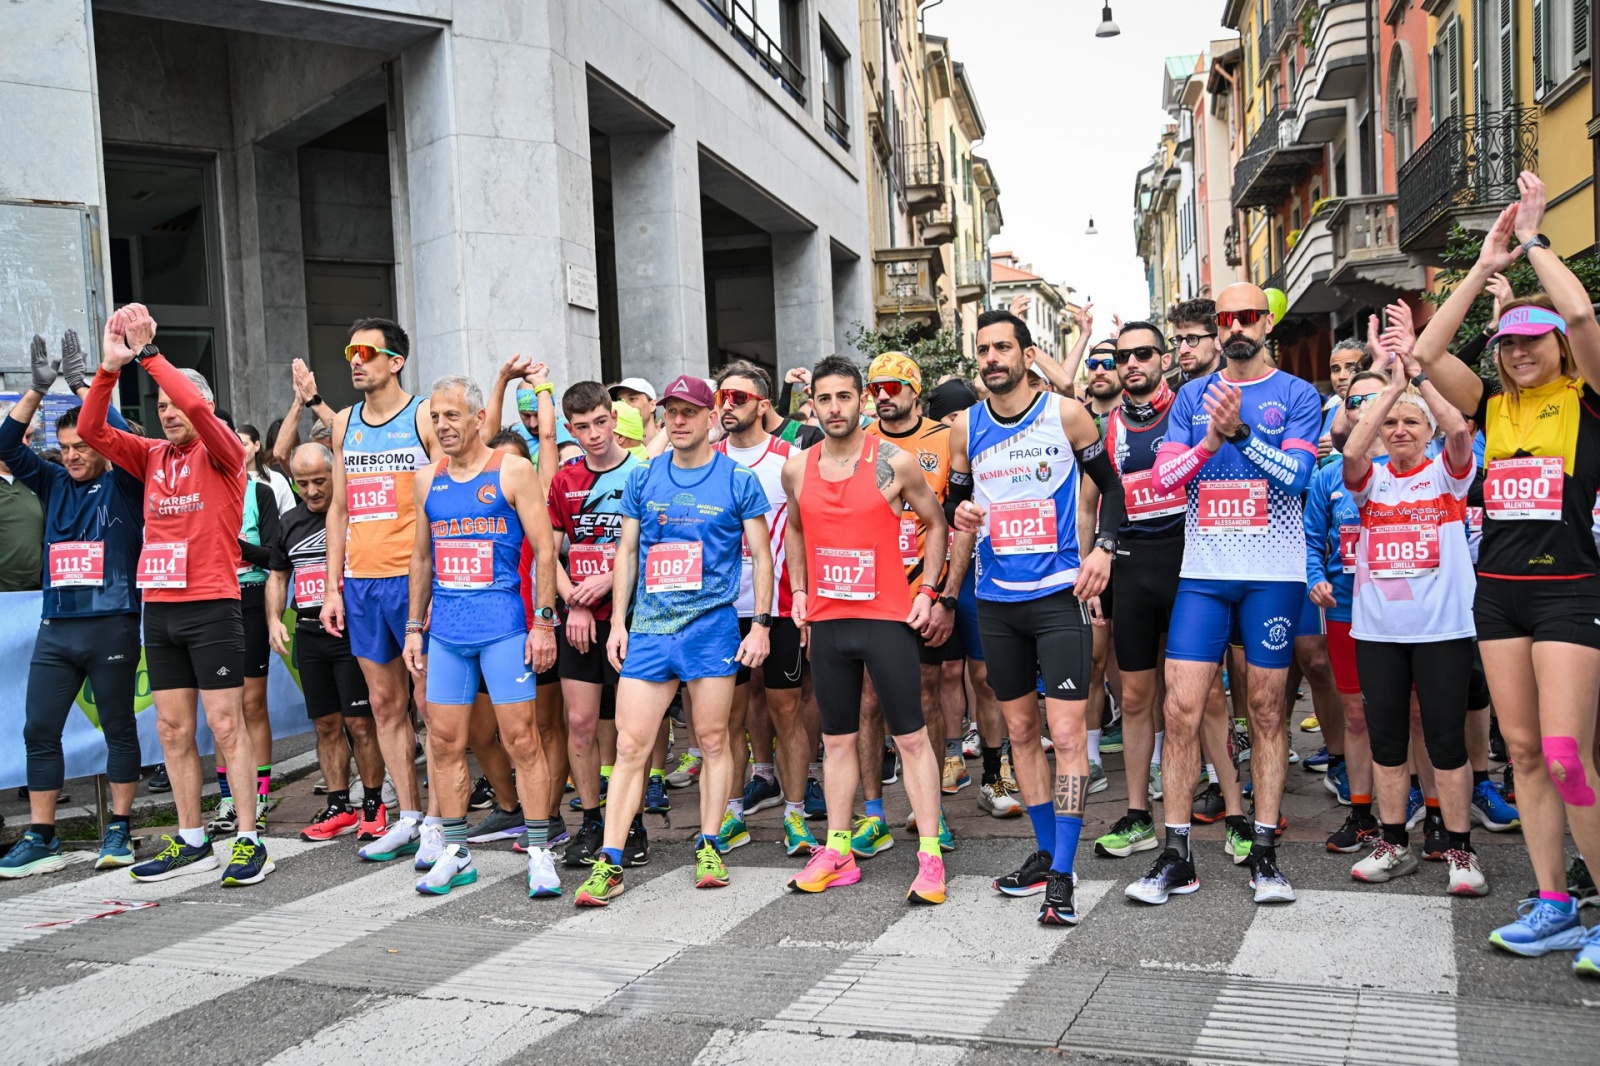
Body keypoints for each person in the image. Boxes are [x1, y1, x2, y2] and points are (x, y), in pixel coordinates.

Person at [1411, 174, 1600, 974]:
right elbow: (1422, 356)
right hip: (1500, 599)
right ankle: (1553, 901)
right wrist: (1483, 263)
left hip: (1572, 595)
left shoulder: (1589, 396)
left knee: (1565, 753)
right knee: (1521, 754)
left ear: (1556, 343)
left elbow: (1585, 312)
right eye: (1508, 343)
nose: (1519, 351)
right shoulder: (1491, 406)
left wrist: (1532, 242)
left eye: (1534, 339)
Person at [1128, 281, 1323, 907]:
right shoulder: (1190, 397)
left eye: (1247, 316)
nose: (1236, 326)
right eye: (1226, 318)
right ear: (1217, 328)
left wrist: (1240, 435)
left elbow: (1297, 477)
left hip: (1273, 574)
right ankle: (1175, 852)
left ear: (1267, 323)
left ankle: (1264, 853)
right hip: (1205, 573)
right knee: (1180, 710)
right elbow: (1165, 476)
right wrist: (1211, 439)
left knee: (1266, 711)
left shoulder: (1295, 394)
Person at [947, 309, 1126, 926]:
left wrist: (1103, 549)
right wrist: (962, 516)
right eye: (983, 349)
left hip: (1058, 597)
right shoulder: (966, 427)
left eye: (1003, 347)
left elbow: (1115, 490)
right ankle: (1047, 852)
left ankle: (1064, 872)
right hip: (997, 600)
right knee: (1020, 733)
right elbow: (956, 501)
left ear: (1027, 354)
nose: (992, 358)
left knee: (1069, 736)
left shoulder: (1066, 414)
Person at [80, 303, 269, 885]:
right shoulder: (151, 456)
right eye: (158, 406)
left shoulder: (225, 453)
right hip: (160, 608)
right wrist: (111, 369)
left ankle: (246, 837)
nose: (167, 413)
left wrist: (151, 356)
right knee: (171, 730)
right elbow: (90, 432)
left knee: (227, 724)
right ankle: (191, 838)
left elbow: (190, 401)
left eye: (175, 404)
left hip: (212, 604)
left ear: (203, 407)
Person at [575, 375, 773, 906]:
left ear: (712, 418)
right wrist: (617, 622)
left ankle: (709, 843)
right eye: (671, 412)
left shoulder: (737, 480)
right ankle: (610, 861)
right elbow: (628, 554)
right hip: (650, 631)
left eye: (690, 411)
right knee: (630, 745)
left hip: (711, 631)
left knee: (713, 742)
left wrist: (761, 624)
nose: (679, 420)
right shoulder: (644, 478)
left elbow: (762, 554)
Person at [782, 355, 951, 903]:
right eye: (824, 399)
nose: (834, 408)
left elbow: (936, 524)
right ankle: (838, 851)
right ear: (815, 405)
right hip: (829, 624)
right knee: (836, 741)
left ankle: (929, 856)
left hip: (886, 619)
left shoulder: (896, 463)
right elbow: (797, 532)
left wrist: (929, 592)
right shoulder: (797, 466)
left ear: (862, 402)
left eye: (844, 398)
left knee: (911, 738)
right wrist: (801, 591)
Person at [1341, 317, 1487, 897]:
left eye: (1410, 423)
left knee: (1447, 742)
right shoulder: (1370, 479)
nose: (1399, 430)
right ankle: (1393, 841)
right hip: (1379, 631)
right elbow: (1353, 446)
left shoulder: (1449, 477)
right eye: (1392, 423)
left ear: (1425, 431)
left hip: (1443, 629)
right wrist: (1387, 395)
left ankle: (1460, 850)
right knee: (1386, 742)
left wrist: (1417, 380)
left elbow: (1457, 429)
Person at [402, 375, 561, 897]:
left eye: (452, 416)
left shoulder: (512, 469)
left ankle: (540, 851)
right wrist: (413, 628)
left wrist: (542, 621)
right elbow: (422, 559)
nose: (443, 426)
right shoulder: (427, 480)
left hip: (503, 629)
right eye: (435, 417)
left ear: (477, 419)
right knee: (445, 742)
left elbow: (543, 551)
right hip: (446, 632)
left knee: (522, 740)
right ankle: (455, 850)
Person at [0, 334, 145, 877]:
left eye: (83, 446)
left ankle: (120, 831)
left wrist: (88, 384)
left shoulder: (126, 484)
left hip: (110, 625)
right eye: (66, 448)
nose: (73, 456)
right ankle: (42, 835)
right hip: (56, 628)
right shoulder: (54, 480)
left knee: (118, 730)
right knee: (39, 729)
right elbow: (7, 445)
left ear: (100, 448)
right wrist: (38, 391)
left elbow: (130, 438)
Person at [320, 318, 440, 862]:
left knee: (430, 706)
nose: (356, 360)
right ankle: (409, 816)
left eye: (367, 352)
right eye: (351, 351)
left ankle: (442, 821)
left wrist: (439, 584)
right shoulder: (345, 422)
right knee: (386, 705)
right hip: (363, 583)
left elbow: (445, 497)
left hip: (414, 580)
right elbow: (339, 510)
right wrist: (332, 588)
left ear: (395, 361)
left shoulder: (421, 417)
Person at [847, 351, 961, 856]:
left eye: (895, 386)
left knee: (927, 696)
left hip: (923, 584)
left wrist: (944, 594)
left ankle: (928, 808)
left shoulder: (945, 437)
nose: (885, 396)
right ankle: (873, 813)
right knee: (869, 700)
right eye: (876, 388)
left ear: (916, 390)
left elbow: (956, 520)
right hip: (871, 587)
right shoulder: (859, 443)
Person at [1085, 323, 1186, 860]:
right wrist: (1095, 565)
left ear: (1163, 358)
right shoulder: (1108, 425)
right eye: (1123, 356)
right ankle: (1138, 813)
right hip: (1131, 562)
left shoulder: (1187, 407)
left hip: (1187, 558)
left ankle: (1230, 811)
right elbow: (1098, 499)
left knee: (1198, 695)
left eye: (1143, 353)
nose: (1131, 364)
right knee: (1136, 696)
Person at [709, 360, 816, 858]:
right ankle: (731, 814)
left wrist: (806, 602)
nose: (727, 405)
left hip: (779, 608)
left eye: (739, 398)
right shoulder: (706, 460)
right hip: (720, 612)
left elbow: (807, 532)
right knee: (726, 718)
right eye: (722, 397)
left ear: (763, 405)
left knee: (786, 711)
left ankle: (795, 815)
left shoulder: (790, 459)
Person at [266, 443, 389, 843]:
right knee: (325, 724)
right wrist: (273, 619)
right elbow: (279, 575)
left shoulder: (353, 513)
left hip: (352, 631)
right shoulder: (290, 521)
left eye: (320, 480)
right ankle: (339, 805)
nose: (312, 491)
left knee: (360, 723)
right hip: (309, 632)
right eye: (302, 483)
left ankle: (374, 803)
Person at [546, 382, 644, 865]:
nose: (593, 434)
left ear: (614, 419)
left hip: (632, 619)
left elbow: (651, 548)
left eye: (600, 422)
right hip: (579, 623)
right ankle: (590, 819)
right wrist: (574, 602)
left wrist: (609, 582)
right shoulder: (564, 480)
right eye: (581, 427)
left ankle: (635, 823)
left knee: (631, 731)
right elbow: (550, 553)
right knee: (581, 723)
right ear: (570, 429)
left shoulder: (642, 474)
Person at [925, 378, 1020, 819]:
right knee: (943, 674)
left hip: (974, 579)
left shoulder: (985, 446)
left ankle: (995, 771)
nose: (956, 426)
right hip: (930, 580)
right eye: (948, 419)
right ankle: (949, 757)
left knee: (985, 677)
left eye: (961, 417)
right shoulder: (920, 453)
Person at [1306, 369, 1387, 854]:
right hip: (1345, 609)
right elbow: (1313, 539)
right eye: (1354, 400)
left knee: (1413, 714)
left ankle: (1431, 810)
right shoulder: (1328, 475)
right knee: (1355, 715)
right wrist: (1316, 575)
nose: (1362, 407)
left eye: (1374, 398)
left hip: (1406, 611)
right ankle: (1361, 814)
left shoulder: (1418, 464)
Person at [270, 359, 339, 475]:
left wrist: (314, 399)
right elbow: (280, 455)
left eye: (330, 451)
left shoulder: (351, 469)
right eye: (319, 451)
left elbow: (347, 439)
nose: (312, 492)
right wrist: (298, 402)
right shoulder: (309, 474)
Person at [239, 423, 295, 514]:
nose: (239, 449)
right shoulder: (227, 480)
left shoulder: (277, 479)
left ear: (257, 445)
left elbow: (290, 515)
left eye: (244, 444)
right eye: (235, 444)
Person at [1168, 298, 1221, 381]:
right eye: (1179, 340)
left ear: (1219, 341)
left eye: (1193, 339)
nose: (1182, 350)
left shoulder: (1239, 389)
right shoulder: (1175, 393)